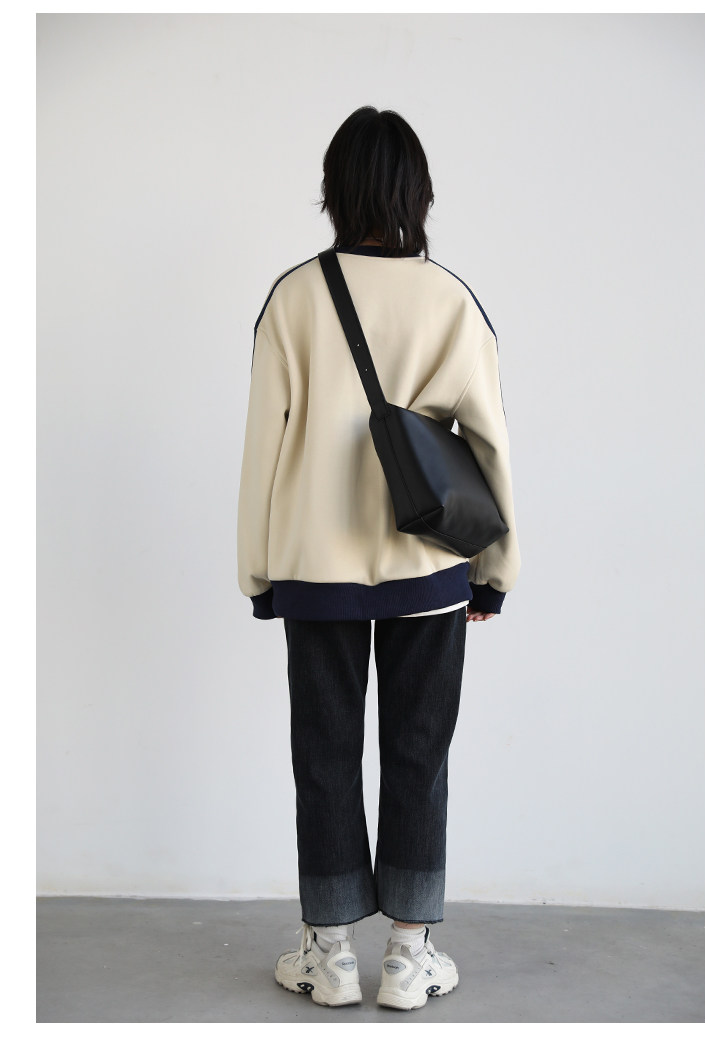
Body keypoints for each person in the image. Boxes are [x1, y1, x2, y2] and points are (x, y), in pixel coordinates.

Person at [237, 105, 521, 1011]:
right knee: (419, 753)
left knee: (322, 755)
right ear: (417, 192)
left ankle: (329, 956)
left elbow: (263, 445)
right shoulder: (451, 300)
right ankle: (407, 954)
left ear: (334, 189)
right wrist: (496, 569)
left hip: (315, 572)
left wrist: (258, 571)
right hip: (428, 568)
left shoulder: (293, 298)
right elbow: (490, 444)